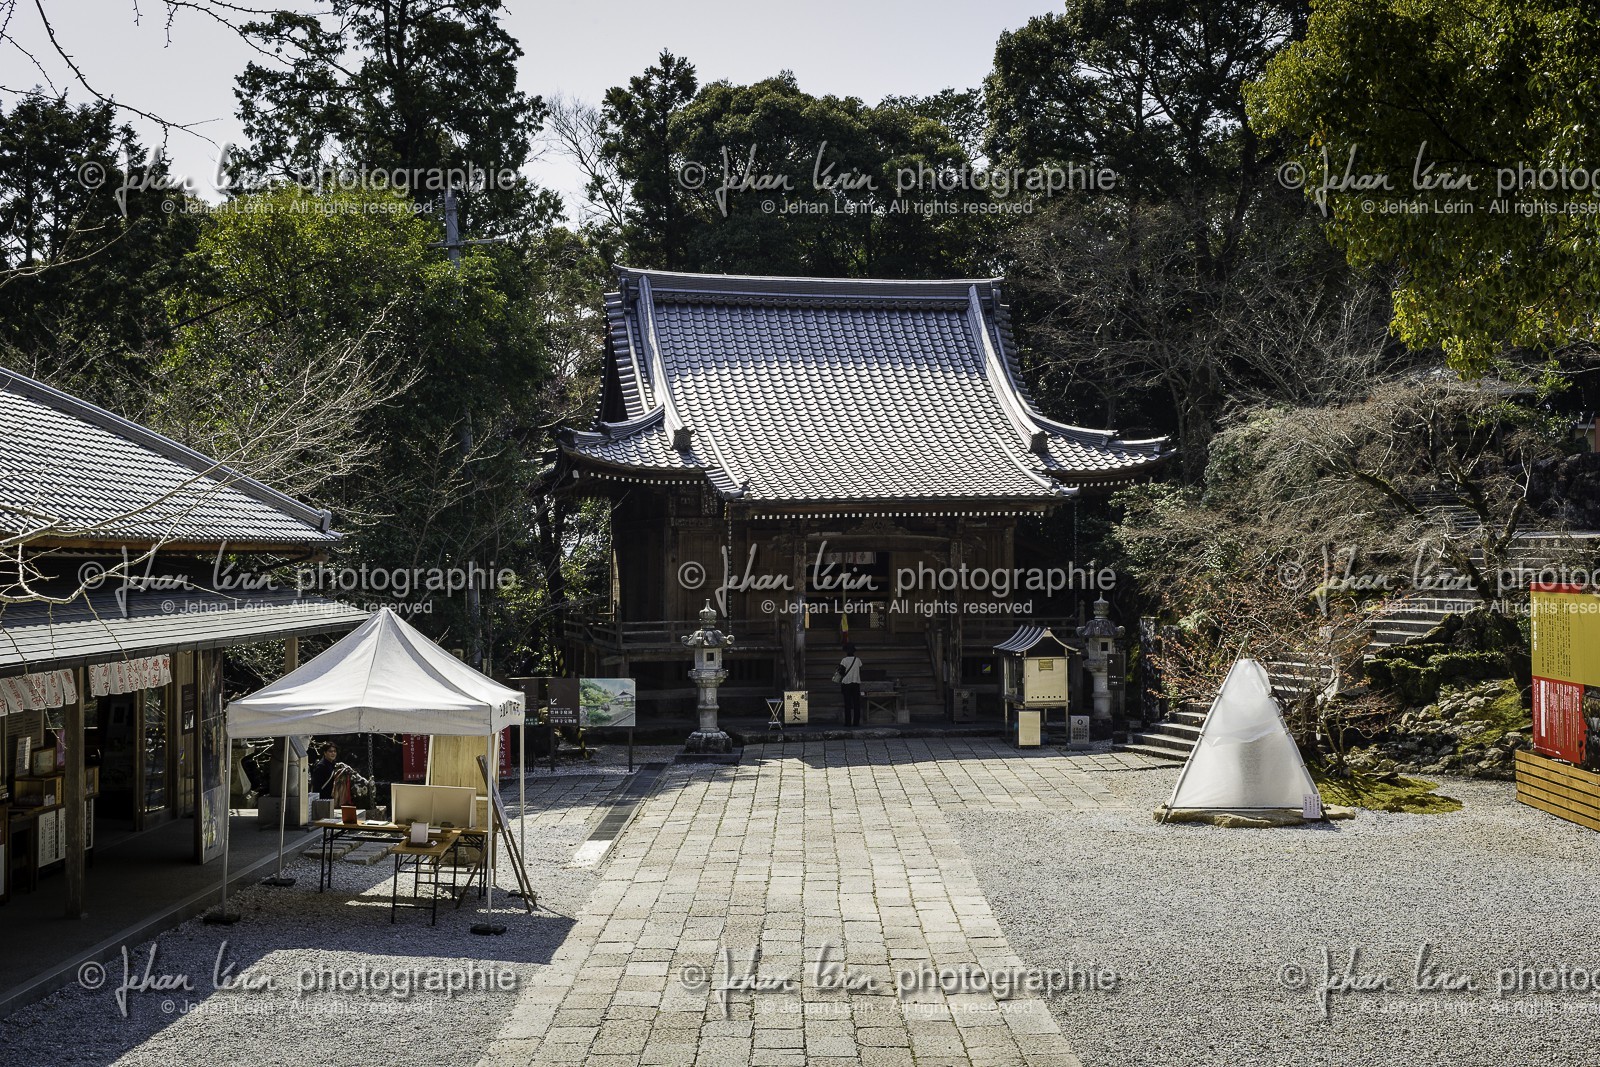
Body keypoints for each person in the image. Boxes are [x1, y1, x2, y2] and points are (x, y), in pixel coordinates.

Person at [837, 643, 863, 727]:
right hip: (856, 683)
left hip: (846, 683)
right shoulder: (857, 659)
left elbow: (841, 672)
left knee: (847, 704)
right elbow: (860, 668)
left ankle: (848, 722)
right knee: (856, 704)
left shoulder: (844, 660)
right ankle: (856, 722)